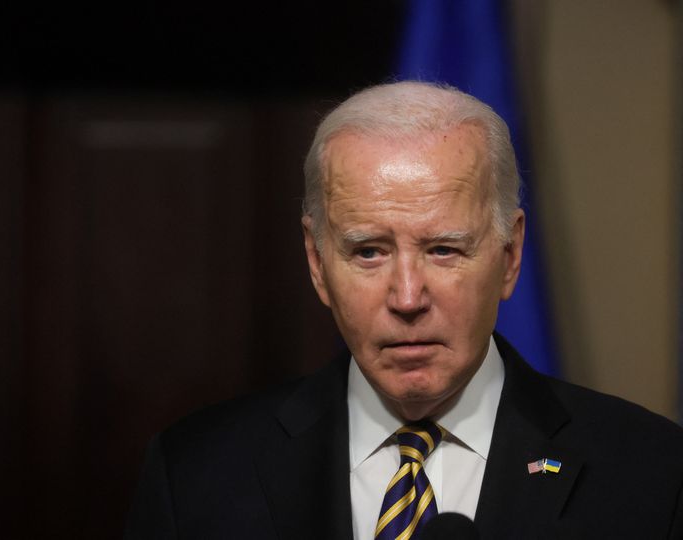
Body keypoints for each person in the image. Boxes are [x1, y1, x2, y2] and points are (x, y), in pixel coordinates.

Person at [123, 81, 683, 539]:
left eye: (443, 249)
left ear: (509, 257)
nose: (408, 297)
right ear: (318, 263)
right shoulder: (196, 474)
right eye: (368, 252)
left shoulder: (652, 472)